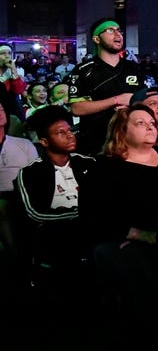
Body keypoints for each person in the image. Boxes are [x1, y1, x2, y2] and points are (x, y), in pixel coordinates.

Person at [79, 105, 158, 337]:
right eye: (140, 123)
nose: (150, 126)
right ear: (121, 131)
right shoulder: (104, 168)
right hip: (131, 239)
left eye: (151, 122)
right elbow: (95, 216)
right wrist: (141, 235)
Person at [15, 106, 97, 279]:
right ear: (44, 141)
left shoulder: (89, 164)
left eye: (70, 130)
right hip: (55, 234)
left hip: (92, 231)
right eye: (61, 132)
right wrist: (80, 216)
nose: (70, 135)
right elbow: (33, 214)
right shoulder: (31, 172)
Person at [66, 18, 144, 154]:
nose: (118, 34)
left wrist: (133, 104)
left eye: (119, 31)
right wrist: (116, 100)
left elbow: (145, 100)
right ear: (97, 39)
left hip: (131, 141)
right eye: (110, 30)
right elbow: (77, 108)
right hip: (96, 143)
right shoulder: (83, 70)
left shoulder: (134, 68)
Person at [0, 104, 41, 262]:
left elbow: (36, 176)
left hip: (24, 194)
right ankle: (17, 262)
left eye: (2, 109)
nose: (0, 112)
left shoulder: (23, 144)